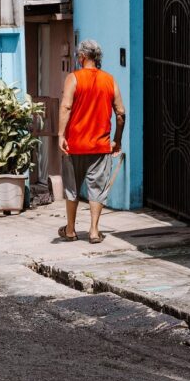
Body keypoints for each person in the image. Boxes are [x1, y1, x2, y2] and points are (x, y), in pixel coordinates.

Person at [58, 39, 125, 244]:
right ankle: (94, 231)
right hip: (100, 145)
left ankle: (70, 230)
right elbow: (121, 113)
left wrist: (61, 135)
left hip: (74, 144)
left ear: (82, 57)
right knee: (97, 188)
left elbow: (66, 107)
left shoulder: (73, 78)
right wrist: (117, 140)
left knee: (71, 188)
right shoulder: (110, 80)